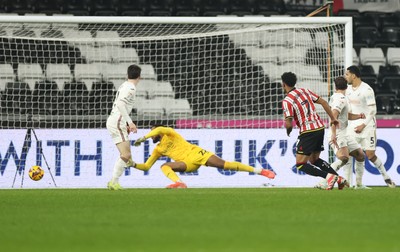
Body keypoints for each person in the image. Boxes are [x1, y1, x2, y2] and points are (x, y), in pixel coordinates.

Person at [131, 125, 276, 188]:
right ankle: (179, 183)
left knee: (224, 165)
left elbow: (161, 128)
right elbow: (146, 167)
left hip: (196, 153)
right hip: (186, 164)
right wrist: (132, 164)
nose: (151, 137)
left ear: (157, 132)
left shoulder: (169, 133)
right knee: (165, 166)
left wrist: (143, 137)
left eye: (152, 133)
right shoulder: (158, 149)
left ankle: (260, 171)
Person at [281, 72, 346, 190]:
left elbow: (289, 122)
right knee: (314, 159)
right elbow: (324, 102)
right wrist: (333, 118)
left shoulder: (287, 100)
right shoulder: (305, 91)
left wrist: (288, 130)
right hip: (320, 128)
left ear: (283, 84)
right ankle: (339, 178)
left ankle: (329, 177)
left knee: (300, 164)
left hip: (308, 131)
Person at [343, 65, 396, 188]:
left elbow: (373, 110)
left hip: (367, 127)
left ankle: (387, 178)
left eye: (347, 74)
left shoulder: (367, 90)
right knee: (350, 154)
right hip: (352, 127)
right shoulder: (348, 90)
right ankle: (349, 183)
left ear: (354, 75)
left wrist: (363, 124)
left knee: (370, 155)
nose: (346, 77)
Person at [314, 76, 366, 190]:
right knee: (344, 158)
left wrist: (358, 116)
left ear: (335, 86)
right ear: (347, 86)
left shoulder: (336, 97)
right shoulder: (340, 99)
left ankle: (359, 185)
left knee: (360, 155)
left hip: (344, 132)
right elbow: (334, 116)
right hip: (338, 132)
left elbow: (344, 115)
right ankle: (323, 181)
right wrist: (333, 133)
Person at [106, 64, 141, 190]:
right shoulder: (131, 88)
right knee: (126, 155)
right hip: (117, 122)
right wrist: (130, 122)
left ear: (127, 75)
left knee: (128, 156)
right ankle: (113, 182)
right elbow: (121, 104)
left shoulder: (124, 85)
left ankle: (114, 182)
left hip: (115, 121)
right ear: (139, 77)